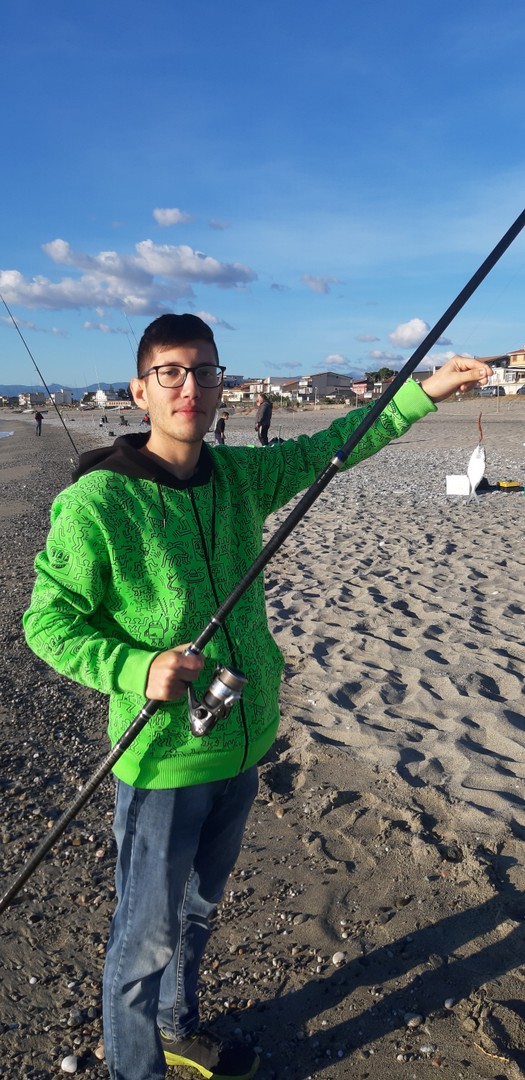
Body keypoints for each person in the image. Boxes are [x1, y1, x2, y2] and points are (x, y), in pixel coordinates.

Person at [23, 313, 491, 1080]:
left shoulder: (239, 476)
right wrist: (136, 668)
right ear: (140, 391)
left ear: (220, 389)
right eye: (170, 372)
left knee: (198, 911)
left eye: (204, 371)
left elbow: (331, 447)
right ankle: (134, 1069)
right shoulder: (99, 502)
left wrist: (426, 390)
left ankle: (176, 1027)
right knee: (142, 939)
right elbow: (47, 621)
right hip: (161, 761)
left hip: (242, 743)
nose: (189, 386)